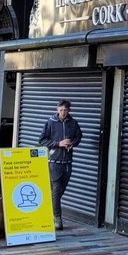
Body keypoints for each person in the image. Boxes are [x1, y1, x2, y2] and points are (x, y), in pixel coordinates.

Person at [38, 99, 82, 231]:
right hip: (54, 163)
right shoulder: (51, 122)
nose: (63, 112)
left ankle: (46, 210)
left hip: (68, 163)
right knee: (56, 191)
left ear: (69, 110)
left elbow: (79, 136)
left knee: (59, 191)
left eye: (65, 110)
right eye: (61, 110)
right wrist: (58, 144)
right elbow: (42, 140)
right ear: (57, 109)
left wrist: (72, 143)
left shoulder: (73, 123)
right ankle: (58, 219)